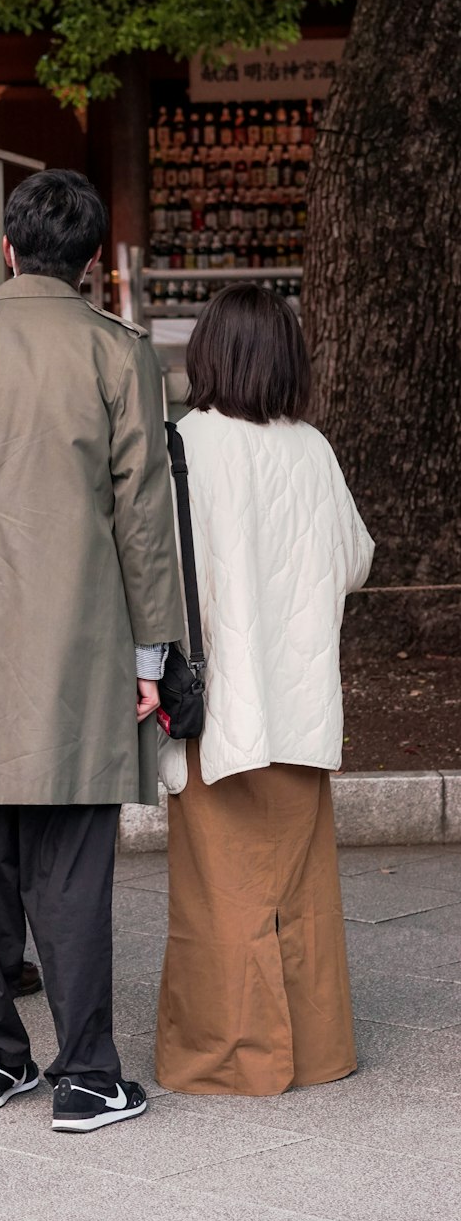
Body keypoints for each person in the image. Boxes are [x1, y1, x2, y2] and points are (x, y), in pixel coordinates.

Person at [0, 169, 184, 1133]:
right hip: (72, 641)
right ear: (94, 261)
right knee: (69, 858)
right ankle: (86, 1074)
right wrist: (154, 658)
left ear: (7, 250)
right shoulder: (115, 353)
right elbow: (144, 516)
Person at [155, 283, 374, 1096]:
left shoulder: (186, 445)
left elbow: (161, 578)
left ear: (207, 352)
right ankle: (316, 1051)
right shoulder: (311, 448)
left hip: (221, 712)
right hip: (302, 697)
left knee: (221, 894)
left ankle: (232, 1059)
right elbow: (354, 559)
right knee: (302, 893)